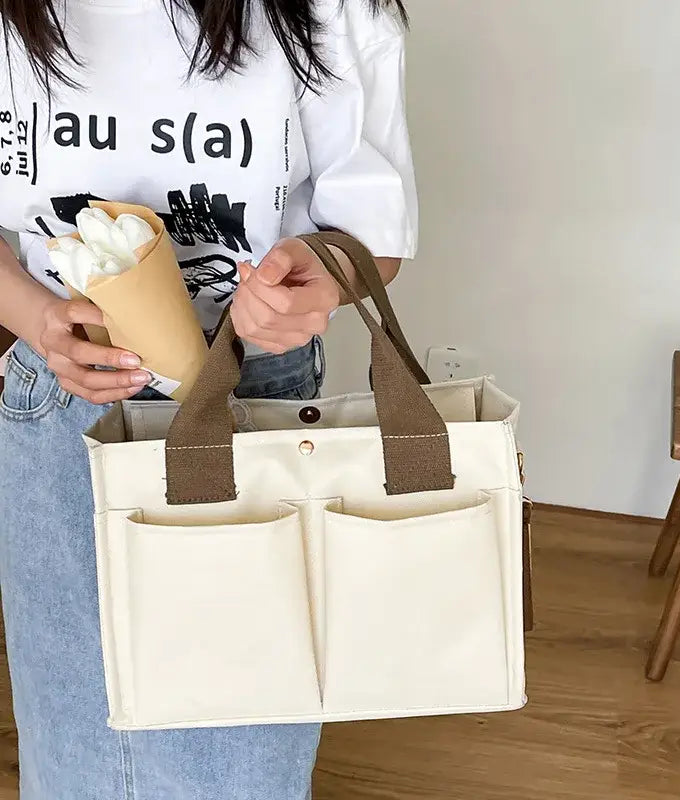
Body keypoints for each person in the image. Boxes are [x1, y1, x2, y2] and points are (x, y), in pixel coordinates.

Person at [0, 0, 416, 797]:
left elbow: (373, 228)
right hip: (60, 409)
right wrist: (39, 318)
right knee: (75, 757)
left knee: (240, 760)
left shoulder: (329, 11)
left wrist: (316, 271)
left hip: (253, 400)